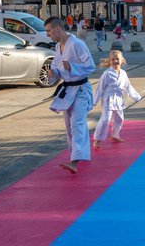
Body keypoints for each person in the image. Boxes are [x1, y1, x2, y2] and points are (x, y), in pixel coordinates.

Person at [44, 16, 95, 174]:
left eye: (49, 31)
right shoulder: (58, 47)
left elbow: (90, 66)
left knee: (77, 124)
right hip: (68, 91)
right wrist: (53, 73)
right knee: (69, 126)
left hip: (80, 90)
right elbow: (58, 71)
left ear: (57, 29)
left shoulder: (78, 44)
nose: (47, 35)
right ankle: (80, 154)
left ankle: (74, 161)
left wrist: (72, 67)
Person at [93, 50, 141, 148]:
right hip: (108, 99)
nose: (115, 61)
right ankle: (97, 139)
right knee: (105, 120)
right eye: (113, 59)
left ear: (122, 60)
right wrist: (94, 101)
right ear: (110, 61)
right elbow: (100, 88)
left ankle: (115, 135)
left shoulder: (123, 73)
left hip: (118, 99)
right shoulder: (107, 74)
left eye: (117, 59)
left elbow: (128, 86)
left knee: (119, 119)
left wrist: (136, 96)